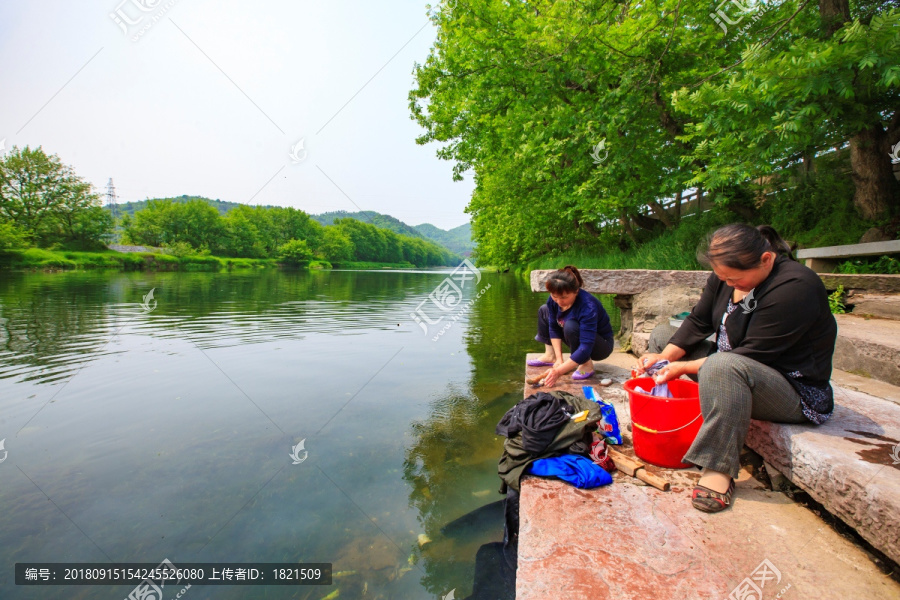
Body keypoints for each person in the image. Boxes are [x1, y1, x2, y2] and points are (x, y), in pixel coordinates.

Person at [634, 224, 837, 513]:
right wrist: (664, 358)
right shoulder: (726, 277)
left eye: (735, 278)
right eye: (722, 277)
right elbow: (700, 320)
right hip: (732, 363)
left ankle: (718, 467)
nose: (728, 284)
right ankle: (710, 397)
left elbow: (752, 354)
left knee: (721, 366)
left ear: (766, 259)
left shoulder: (796, 287)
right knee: (664, 336)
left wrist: (682, 368)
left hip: (790, 388)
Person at [528, 265, 614, 386]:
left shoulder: (588, 306)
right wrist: (559, 360)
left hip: (599, 345)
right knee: (544, 310)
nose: (558, 301)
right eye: (554, 296)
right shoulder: (554, 300)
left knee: (571, 326)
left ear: (576, 291)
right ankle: (551, 356)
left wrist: (558, 372)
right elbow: (553, 327)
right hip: (577, 335)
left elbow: (586, 346)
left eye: (564, 297)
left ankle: (586, 363)